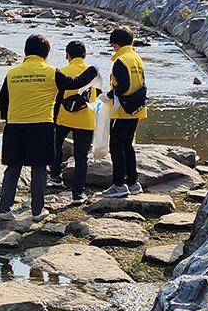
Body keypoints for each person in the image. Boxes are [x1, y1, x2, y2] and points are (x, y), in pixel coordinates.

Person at [0, 34, 59, 218]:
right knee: (39, 168)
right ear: (46, 52)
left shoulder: (12, 73)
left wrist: (10, 117)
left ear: (26, 51)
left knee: (13, 167)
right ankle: (37, 211)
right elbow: (73, 85)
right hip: (41, 126)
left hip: (15, 126)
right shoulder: (52, 72)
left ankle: (4, 209)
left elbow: (2, 101)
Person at [53, 41, 101, 206]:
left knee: (56, 144)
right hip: (86, 119)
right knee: (82, 157)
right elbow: (100, 96)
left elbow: (56, 97)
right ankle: (78, 193)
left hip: (64, 117)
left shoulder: (62, 71)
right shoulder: (93, 73)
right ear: (85, 55)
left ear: (68, 55)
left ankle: (55, 176)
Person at [103, 27, 148, 196]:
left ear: (115, 44)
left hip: (123, 109)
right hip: (136, 108)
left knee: (116, 145)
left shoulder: (121, 60)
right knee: (128, 145)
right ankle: (133, 183)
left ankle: (119, 185)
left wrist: (108, 96)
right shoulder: (136, 58)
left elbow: (124, 85)